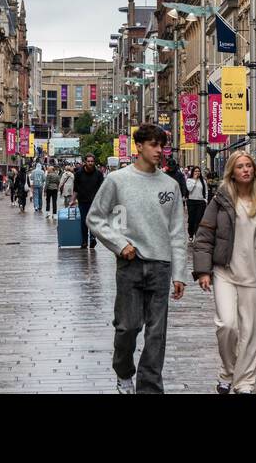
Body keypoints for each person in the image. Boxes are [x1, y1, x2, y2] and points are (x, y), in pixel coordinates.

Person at [87, 123, 187, 393]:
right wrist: (120, 245)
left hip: (161, 266)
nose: (159, 150)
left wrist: (179, 273)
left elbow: (178, 231)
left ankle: (150, 386)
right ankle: (123, 371)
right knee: (127, 328)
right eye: (153, 145)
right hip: (130, 265)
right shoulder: (117, 180)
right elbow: (95, 217)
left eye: (161, 145)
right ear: (139, 146)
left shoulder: (170, 185)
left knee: (156, 333)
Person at [193, 150, 256, 394]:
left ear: (254, 170)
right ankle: (228, 370)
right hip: (224, 272)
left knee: (250, 332)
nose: (245, 170)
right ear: (232, 172)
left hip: (255, 275)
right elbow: (204, 237)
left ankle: (243, 381)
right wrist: (203, 271)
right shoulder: (221, 200)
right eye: (240, 166)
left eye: (249, 165)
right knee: (227, 325)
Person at [73, 155, 105, 249]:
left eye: (92, 161)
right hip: (82, 201)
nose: (90, 163)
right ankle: (84, 241)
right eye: (88, 161)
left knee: (93, 221)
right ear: (85, 162)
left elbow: (102, 189)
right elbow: (75, 189)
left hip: (95, 202)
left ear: (94, 162)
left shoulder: (98, 174)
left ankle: (92, 238)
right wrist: (72, 200)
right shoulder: (78, 174)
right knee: (84, 221)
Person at [186, 166, 209, 242]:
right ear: (193, 172)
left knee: (198, 220)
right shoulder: (189, 180)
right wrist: (195, 180)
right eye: (195, 171)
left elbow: (206, 191)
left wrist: (205, 200)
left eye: (198, 171)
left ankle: (197, 235)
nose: (197, 173)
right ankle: (191, 234)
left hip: (200, 202)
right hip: (191, 202)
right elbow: (189, 189)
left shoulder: (203, 181)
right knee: (191, 220)